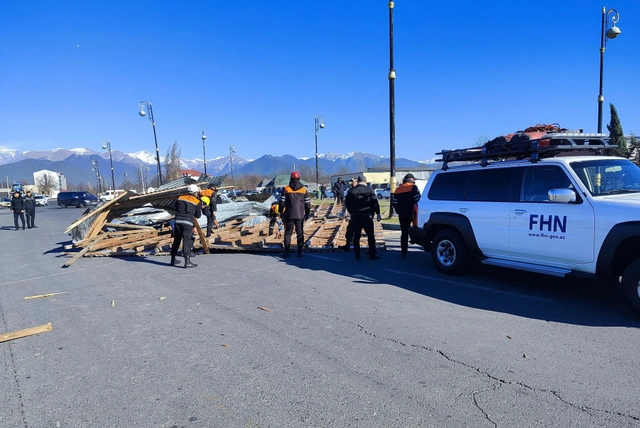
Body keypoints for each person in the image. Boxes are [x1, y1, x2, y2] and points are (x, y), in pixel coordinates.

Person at [345, 175, 381, 260]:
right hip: (367, 215)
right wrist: (378, 213)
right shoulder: (370, 190)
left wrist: (351, 212)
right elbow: (374, 202)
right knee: (370, 236)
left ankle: (357, 255)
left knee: (356, 236)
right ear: (365, 181)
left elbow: (347, 204)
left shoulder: (351, 191)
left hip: (356, 216)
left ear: (357, 181)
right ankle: (372, 254)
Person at [278, 171, 311, 258]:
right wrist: (307, 213)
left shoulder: (286, 189)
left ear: (291, 179)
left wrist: (281, 212)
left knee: (288, 233)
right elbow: (307, 203)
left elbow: (281, 202)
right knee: (300, 233)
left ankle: (286, 252)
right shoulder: (303, 189)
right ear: (299, 179)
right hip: (300, 215)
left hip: (289, 214)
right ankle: (300, 251)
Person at [169, 184, 202, 268]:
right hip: (187, 222)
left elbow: (174, 208)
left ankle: (173, 259)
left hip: (178, 221)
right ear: (195, 192)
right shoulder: (197, 201)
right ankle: (187, 262)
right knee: (186, 241)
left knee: (177, 240)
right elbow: (198, 215)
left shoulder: (180, 198)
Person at [393, 173, 422, 258]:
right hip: (412, 213)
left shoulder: (398, 189)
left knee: (404, 232)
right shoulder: (413, 188)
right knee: (415, 228)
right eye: (414, 180)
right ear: (411, 180)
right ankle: (413, 240)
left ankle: (404, 252)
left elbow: (395, 203)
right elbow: (418, 200)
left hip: (402, 214)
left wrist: (399, 211)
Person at [338, 177, 358, 251]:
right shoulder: (351, 190)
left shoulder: (352, 191)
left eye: (353, 182)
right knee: (350, 230)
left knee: (354, 231)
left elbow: (348, 203)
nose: (351, 184)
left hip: (358, 214)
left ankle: (353, 248)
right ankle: (347, 245)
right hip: (357, 214)